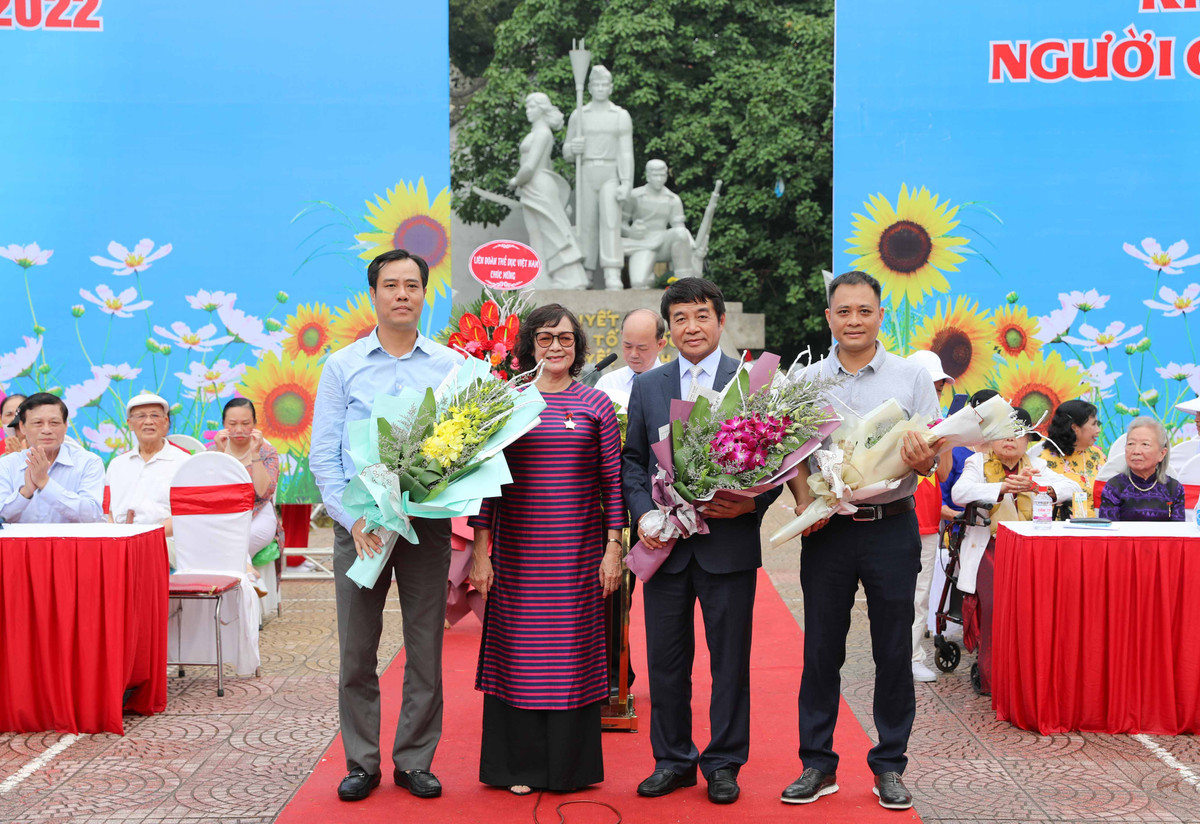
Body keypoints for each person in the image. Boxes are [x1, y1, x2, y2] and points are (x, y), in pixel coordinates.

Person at [781, 272, 943, 811]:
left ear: (880, 314)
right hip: (828, 531)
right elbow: (793, 455)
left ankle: (890, 764)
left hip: (891, 526)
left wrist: (925, 460)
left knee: (892, 650)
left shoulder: (912, 377)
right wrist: (806, 502)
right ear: (828, 317)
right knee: (820, 648)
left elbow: (936, 456)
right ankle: (817, 764)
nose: (854, 320)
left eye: (864, 311)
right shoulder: (804, 379)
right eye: (843, 311)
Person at [311, 248, 465, 803]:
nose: (402, 294)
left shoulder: (449, 366)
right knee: (357, 649)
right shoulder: (343, 365)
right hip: (363, 528)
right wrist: (351, 520)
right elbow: (323, 457)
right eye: (391, 285)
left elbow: (464, 451)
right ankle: (361, 762)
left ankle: (414, 760)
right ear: (373, 295)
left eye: (413, 285)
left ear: (426, 295)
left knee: (425, 646)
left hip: (426, 527)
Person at [623, 277, 779, 805]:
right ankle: (672, 760)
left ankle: (724, 763)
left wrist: (753, 503)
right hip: (664, 548)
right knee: (666, 662)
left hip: (726, 546)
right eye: (682, 318)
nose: (693, 326)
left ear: (720, 321)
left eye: (702, 316)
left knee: (729, 662)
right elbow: (633, 462)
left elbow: (779, 464)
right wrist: (644, 513)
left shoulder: (752, 383)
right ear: (670, 328)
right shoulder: (647, 385)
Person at [467, 304, 623, 794]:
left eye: (566, 338)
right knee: (518, 656)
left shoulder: (596, 405)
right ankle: (517, 769)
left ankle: (567, 770)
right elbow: (487, 486)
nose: (556, 346)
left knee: (571, 656)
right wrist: (480, 551)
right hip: (517, 555)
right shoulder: (508, 403)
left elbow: (613, 486)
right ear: (529, 345)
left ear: (577, 347)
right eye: (545, 338)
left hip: (577, 556)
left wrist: (613, 548)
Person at [950, 407, 1079, 695]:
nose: (1011, 441)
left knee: (1034, 613)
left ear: (1027, 441)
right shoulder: (977, 462)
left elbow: (1071, 486)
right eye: (1004, 435)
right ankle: (993, 681)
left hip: (1032, 551)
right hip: (991, 547)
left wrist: (1037, 486)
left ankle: (1031, 680)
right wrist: (1001, 488)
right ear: (993, 439)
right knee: (995, 611)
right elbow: (960, 493)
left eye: (1018, 435)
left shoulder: (1036, 465)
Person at [904, 350, 955, 684]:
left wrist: (947, 436)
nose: (936, 395)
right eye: (932, 387)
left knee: (920, 594)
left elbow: (944, 473)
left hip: (925, 519)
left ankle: (912, 657)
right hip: (894, 516)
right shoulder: (896, 417)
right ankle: (892, 656)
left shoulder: (941, 423)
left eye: (939, 389)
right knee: (892, 596)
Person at [563, 65, 635, 291]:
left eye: (605, 84)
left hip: (610, 172)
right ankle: (585, 271)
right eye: (596, 84)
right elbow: (566, 151)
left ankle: (613, 271)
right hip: (586, 171)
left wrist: (627, 182)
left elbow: (626, 152)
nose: (601, 88)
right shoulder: (579, 114)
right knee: (586, 223)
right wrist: (574, 148)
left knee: (611, 222)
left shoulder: (620, 116)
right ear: (590, 87)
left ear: (611, 87)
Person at [510, 92, 588, 290]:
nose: (528, 111)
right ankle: (539, 277)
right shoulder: (537, 133)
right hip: (531, 187)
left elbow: (530, 166)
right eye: (527, 107)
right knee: (536, 233)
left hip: (539, 185)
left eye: (532, 107)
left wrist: (515, 181)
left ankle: (571, 277)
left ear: (542, 109)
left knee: (553, 231)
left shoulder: (543, 133)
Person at [0, 393, 104, 524]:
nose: (46, 430)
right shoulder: (6, 465)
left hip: (70, 544)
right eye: (38, 423)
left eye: (54, 423)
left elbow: (92, 516)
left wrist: (45, 483)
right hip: (21, 545)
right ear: (22, 427)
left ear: (66, 426)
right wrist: (25, 492)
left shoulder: (88, 462)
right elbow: (1, 518)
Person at [209, 398, 286, 570]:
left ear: (255, 424)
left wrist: (255, 453)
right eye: (232, 424)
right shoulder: (213, 452)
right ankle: (250, 576)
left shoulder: (266, 452)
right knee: (211, 539)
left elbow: (263, 492)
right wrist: (222, 455)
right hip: (224, 516)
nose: (239, 430)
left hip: (258, 513)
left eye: (245, 423)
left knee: (233, 542)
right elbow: (216, 495)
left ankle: (244, 574)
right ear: (223, 424)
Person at [105, 393, 187, 538]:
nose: (148, 422)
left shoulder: (183, 462)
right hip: (122, 543)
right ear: (130, 423)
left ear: (166, 422)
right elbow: (109, 513)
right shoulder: (117, 464)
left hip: (166, 545)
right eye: (141, 416)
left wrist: (146, 537)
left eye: (155, 416)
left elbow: (187, 514)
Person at [621, 159, 697, 289]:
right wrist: (630, 232)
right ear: (648, 176)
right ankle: (649, 276)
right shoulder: (634, 196)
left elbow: (679, 226)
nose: (659, 179)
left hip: (663, 242)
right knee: (639, 283)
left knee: (680, 234)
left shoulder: (673, 199)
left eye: (662, 175)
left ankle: (685, 283)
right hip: (641, 243)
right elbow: (620, 224)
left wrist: (691, 243)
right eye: (655, 175)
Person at [1098, 417, 1184, 521]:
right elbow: (1109, 533)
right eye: (1131, 444)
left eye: (1145, 444)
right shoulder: (1114, 487)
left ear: (1162, 453)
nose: (1136, 451)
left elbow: (1178, 532)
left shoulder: (1174, 488)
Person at [1040, 400, 1105, 517]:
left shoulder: (1097, 455)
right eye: (1093, 424)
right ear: (1075, 428)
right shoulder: (1044, 460)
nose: (1098, 430)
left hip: (1098, 527)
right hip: (1059, 529)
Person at [593, 308, 668, 405]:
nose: (634, 354)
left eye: (642, 348)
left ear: (660, 345)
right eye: (627, 346)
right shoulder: (607, 384)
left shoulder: (674, 383)